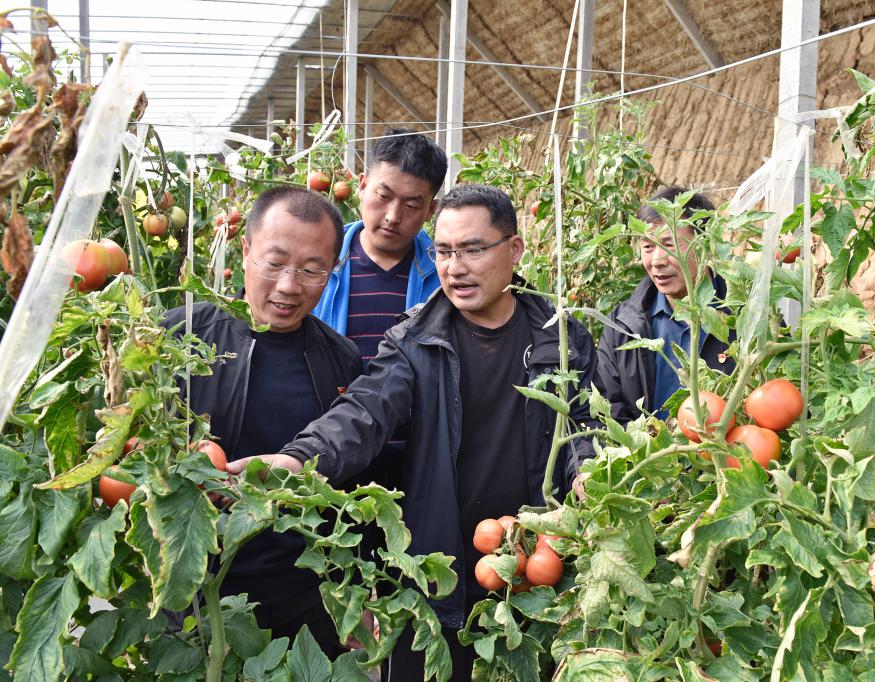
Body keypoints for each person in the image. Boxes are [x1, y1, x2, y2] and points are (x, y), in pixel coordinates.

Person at [227, 184, 598, 680]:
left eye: (472, 249)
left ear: (514, 249)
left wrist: (589, 471)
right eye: (443, 251)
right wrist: (299, 458)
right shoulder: (416, 340)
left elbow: (585, 424)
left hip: (536, 573)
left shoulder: (563, 339)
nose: (455, 267)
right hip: (436, 576)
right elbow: (364, 410)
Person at [162, 186, 363, 656]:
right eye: (275, 263)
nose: (290, 285)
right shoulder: (179, 336)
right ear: (246, 249)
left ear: (333, 270)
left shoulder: (341, 359)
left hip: (304, 592)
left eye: (312, 270)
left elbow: (350, 479)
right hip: (197, 587)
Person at [596, 186, 735, 423]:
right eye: (648, 247)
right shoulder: (622, 327)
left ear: (703, 244)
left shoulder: (743, 317)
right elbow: (609, 409)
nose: (657, 260)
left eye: (670, 245)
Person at [312, 127, 447, 366]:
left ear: (431, 210)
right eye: (384, 196)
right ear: (363, 186)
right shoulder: (317, 261)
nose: (393, 217)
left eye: (411, 206)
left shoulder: (444, 275)